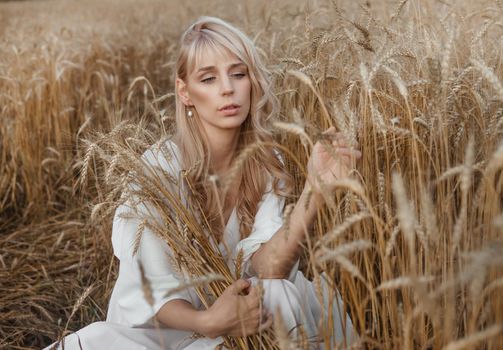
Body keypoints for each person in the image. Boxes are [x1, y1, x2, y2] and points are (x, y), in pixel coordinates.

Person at [45, 16, 361, 350]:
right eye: (208, 78)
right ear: (185, 92)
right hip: (161, 329)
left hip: (242, 316)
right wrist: (208, 322)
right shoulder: (159, 170)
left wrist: (316, 191)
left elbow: (270, 268)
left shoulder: (266, 161)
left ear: (252, 82)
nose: (228, 88)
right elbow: (147, 288)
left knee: (281, 293)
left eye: (238, 74)